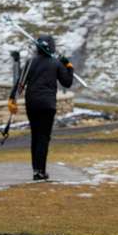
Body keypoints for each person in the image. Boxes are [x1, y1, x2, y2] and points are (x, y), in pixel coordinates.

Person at [11, 35, 73, 181]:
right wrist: (69, 67)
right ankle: (40, 171)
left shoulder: (30, 62)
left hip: (32, 104)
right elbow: (67, 82)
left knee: (35, 136)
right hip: (47, 105)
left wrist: (12, 99)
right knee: (43, 138)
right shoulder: (56, 63)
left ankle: (36, 170)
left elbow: (20, 83)